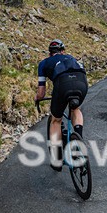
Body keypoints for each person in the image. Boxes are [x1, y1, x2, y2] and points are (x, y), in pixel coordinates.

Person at [35, 39, 87, 169]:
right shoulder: (70, 58)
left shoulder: (44, 63)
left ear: (49, 53)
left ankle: (57, 159)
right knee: (75, 109)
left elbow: (41, 92)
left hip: (62, 84)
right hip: (81, 82)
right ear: (63, 51)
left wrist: (37, 98)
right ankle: (78, 138)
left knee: (56, 120)